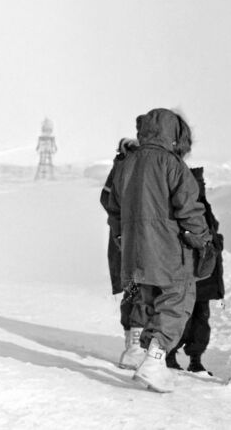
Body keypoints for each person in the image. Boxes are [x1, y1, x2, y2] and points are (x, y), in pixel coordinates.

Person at [108, 108, 212, 393]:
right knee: (177, 299)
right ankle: (154, 363)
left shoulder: (126, 164)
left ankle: (136, 351)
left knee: (140, 297)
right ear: (173, 134)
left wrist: (122, 237)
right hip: (167, 249)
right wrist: (202, 239)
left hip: (133, 251)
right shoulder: (173, 164)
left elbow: (113, 207)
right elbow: (190, 209)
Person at [165, 166, 225, 375]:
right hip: (189, 271)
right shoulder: (183, 205)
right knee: (183, 315)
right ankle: (170, 354)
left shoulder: (201, 206)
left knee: (199, 317)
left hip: (204, 272)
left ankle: (195, 359)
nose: (202, 188)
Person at [98, 137, 142, 370]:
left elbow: (106, 199)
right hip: (132, 243)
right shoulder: (131, 167)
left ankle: (134, 344)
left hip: (125, 241)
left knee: (133, 290)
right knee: (138, 290)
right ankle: (135, 346)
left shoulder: (121, 166)